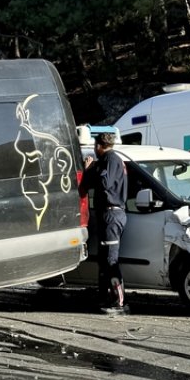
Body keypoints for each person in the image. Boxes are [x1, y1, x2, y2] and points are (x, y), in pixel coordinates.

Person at [79, 130, 128, 314]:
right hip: (111, 214)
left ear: (99, 146)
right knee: (104, 258)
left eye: (95, 147)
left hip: (111, 214)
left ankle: (118, 301)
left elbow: (103, 182)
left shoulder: (110, 160)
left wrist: (91, 169)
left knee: (110, 259)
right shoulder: (113, 160)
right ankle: (105, 296)